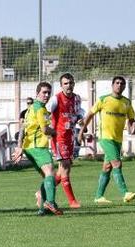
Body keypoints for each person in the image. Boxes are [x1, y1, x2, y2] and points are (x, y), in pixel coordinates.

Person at [78, 76, 135, 204]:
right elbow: (89, 115)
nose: (119, 85)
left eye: (122, 83)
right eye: (117, 83)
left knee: (107, 167)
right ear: (112, 85)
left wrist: (134, 125)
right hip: (105, 138)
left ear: (124, 86)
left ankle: (99, 197)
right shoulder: (103, 99)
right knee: (117, 164)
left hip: (118, 139)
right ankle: (125, 193)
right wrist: (81, 132)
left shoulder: (126, 102)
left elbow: (131, 119)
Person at [12, 82, 63, 216]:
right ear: (37, 93)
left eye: (48, 93)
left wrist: (19, 147)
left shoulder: (30, 109)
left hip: (29, 148)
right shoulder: (40, 109)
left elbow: (23, 128)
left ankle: (43, 209)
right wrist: (56, 132)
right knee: (51, 173)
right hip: (38, 147)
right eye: (44, 92)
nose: (46, 95)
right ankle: (50, 202)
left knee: (47, 176)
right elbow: (45, 130)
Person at [46, 73, 85, 209]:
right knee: (66, 165)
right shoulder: (56, 99)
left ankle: (42, 193)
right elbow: (45, 112)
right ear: (61, 85)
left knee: (62, 170)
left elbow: (79, 111)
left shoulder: (77, 98)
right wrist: (47, 128)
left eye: (70, 83)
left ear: (74, 83)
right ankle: (72, 201)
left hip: (70, 136)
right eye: (65, 83)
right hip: (59, 137)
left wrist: (80, 118)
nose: (68, 86)